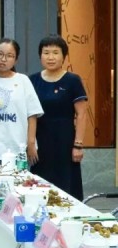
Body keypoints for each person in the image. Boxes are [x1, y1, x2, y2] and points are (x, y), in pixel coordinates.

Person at [29, 35, 87, 199]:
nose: (51, 57)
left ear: (64, 56)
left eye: (55, 53)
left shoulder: (72, 80)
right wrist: (30, 143)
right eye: (46, 52)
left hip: (65, 142)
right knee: (40, 188)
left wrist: (78, 145)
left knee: (67, 188)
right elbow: (29, 114)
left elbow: (81, 114)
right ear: (40, 56)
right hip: (40, 143)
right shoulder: (32, 80)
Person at [0, 38, 43, 163]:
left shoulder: (23, 80)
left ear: (16, 60)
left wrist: (31, 143)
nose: (3, 59)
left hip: (19, 150)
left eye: (9, 56)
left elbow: (32, 114)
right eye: (0, 54)